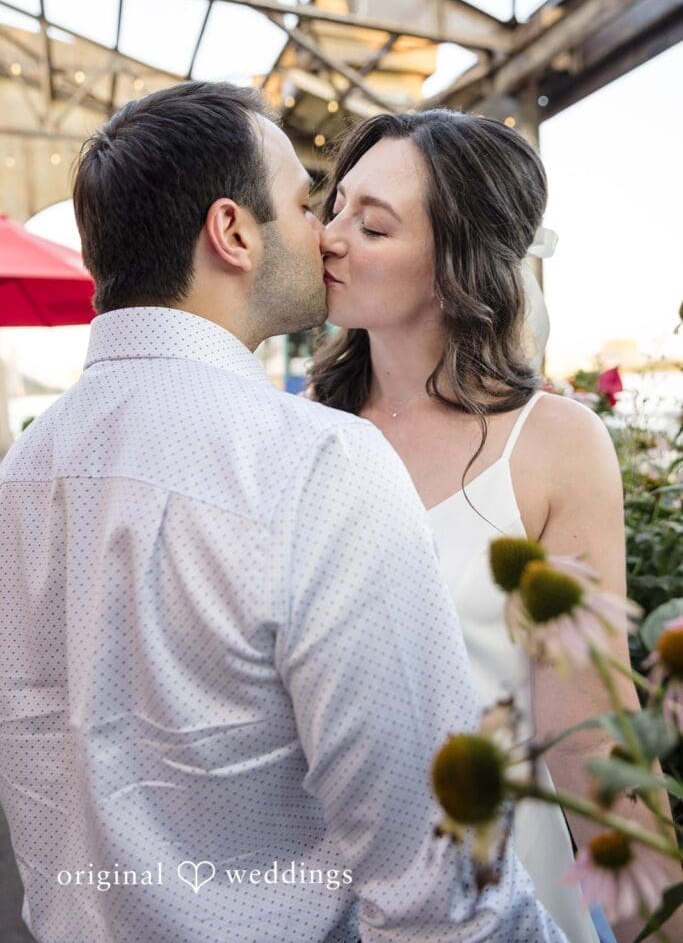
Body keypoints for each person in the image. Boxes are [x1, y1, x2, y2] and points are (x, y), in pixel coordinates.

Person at [0, 83, 566, 943]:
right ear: (232, 233)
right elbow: (440, 884)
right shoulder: (317, 464)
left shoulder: (24, 472)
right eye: (307, 202)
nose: (325, 234)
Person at [310, 109, 683, 943]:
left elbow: (588, 719)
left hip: (505, 890)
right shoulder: (299, 433)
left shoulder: (552, 443)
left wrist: (658, 926)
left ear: (455, 265)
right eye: (335, 208)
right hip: (323, 896)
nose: (329, 237)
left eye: (371, 224)